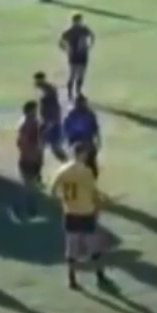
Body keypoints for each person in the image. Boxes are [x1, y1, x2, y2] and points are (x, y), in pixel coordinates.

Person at [50, 142, 115, 290]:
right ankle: (100, 277)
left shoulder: (62, 171)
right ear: (81, 154)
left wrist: (63, 202)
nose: (86, 156)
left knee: (71, 247)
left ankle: (72, 280)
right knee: (94, 246)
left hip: (70, 213)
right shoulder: (86, 172)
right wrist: (103, 202)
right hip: (86, 212)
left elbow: (53, 190)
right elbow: (93, 193)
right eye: (85, 153)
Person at [11, 100, 44, 223]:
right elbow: (32, 142)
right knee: (29, 186)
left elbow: (20, 142)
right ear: (31, 110)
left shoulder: (23, 123)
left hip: (26, 158)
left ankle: (31, 210)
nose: (37, 111)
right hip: (31, 158)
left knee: (30, 185)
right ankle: (20, 208)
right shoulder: (31, 123)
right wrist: (35, 154)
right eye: (35, 109)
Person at [59, 13, 94, 101]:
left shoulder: (84, 29)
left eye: (79, 21)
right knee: (73, 74)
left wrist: (90, 45)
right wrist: (66, 50)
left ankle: (78, 92)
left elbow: (92, 36)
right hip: (74, 56)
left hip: (83, 55)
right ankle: (70, 93)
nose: (79, 22)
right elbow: (60, 42)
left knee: (81, 74)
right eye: (77, 21)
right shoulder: (70, 31)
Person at [63, 95, 101, 176]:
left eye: (84, 103)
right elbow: (67, 128)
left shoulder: (89, 114)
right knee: (80, 163)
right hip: (78, 143)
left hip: (87, 142)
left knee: (90, 163)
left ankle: (90, 179)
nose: (84, 104)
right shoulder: (73, 114)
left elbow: (95, 128)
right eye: (82, 103)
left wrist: (98, 140)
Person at [33, 72, 66, 161]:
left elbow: (54, 108)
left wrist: (51, 122)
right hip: (46, 122)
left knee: (54, 146)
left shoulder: (50, 91)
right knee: (41, 147)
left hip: (51, 122)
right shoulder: (42, 89)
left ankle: (67, 163)